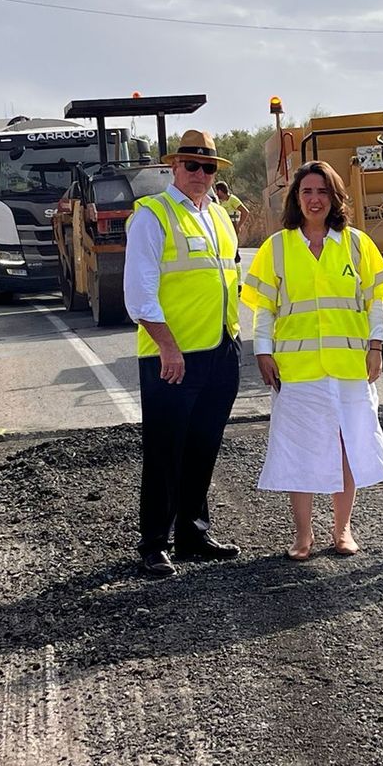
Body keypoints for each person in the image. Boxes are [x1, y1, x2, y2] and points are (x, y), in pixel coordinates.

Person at [241, 161, 383, 558]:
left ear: (335, 198)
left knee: (346, 445)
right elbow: (264, 310)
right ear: (296, 198)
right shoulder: (277, 247)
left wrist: (376, 347)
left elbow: (374, 304)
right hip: (297, 371)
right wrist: (263, 351)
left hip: (349, 368)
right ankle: (303, 535)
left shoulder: (357, 244)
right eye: (307, 191)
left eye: (323, 191)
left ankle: (342, 530)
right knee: (301, 449)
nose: (315, 199)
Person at [122, 128, 243, 578]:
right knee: (165, 450)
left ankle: (193, 533)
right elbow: (139, 294)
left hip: (219, 349)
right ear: (174, 167)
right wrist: (168, 347)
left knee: (202, 446)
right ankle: (155, 543)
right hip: (171, 356)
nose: (200, 173)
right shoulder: (153, 215)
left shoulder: (219, 216)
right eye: (191, 165)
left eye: (208, 167)